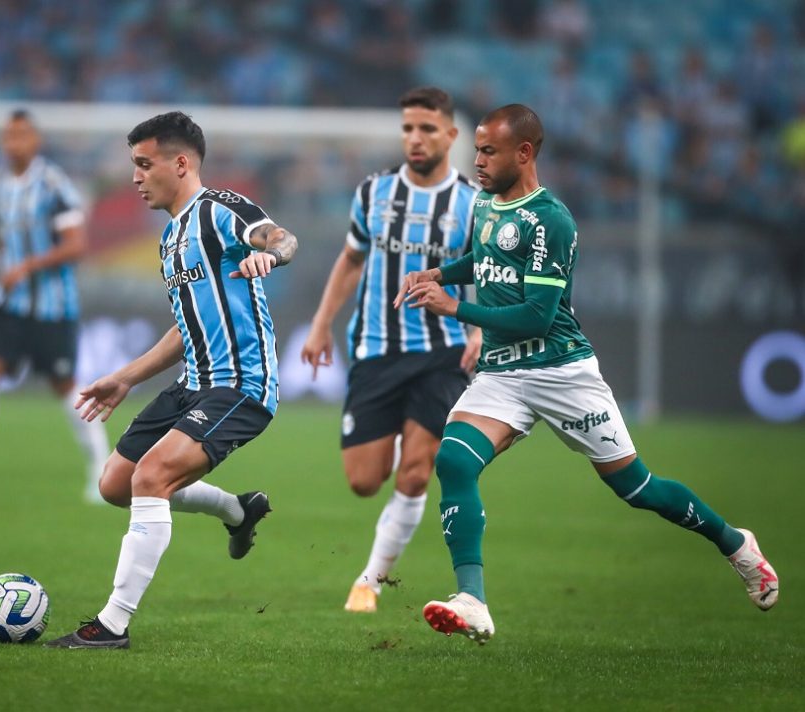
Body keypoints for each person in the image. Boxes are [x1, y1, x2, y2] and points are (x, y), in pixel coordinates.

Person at [395, 104, 779, 645]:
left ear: (523, 153)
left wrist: (454, 309)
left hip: (562, 373)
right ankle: (473, 601)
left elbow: (537, 315)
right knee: (454, 460)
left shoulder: (553, 220)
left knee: (637, 487)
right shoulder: (485, 203)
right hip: (503, 374)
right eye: (477, 150)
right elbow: (479, 261)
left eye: (488, 151)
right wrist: (438, 273)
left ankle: (735, 543)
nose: (477, 161)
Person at [44, 111, 298, 649]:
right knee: (115, 483)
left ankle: (111, 625)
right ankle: (237, 509)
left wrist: (269, 256)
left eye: (143, 164)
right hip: (192, 384)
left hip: (241, 384)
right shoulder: (171, 239)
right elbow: (186, 329)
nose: (135, 177)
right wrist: (124, 378)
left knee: (152, 476)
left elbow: (281, 237)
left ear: (180, 163)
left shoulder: (220, 211)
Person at [301, 86, 481, 613]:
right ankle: (405, 437)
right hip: (376, 349)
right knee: (362, 481)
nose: (415, 138)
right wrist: (319, 323)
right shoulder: (374, 193)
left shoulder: (472, 202)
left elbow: (491, 276)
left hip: (443, 353)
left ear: (451, 135)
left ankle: (369, 582)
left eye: (427, 128)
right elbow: (352, 259)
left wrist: (479, 329)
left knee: (418, 472)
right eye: (408, 128)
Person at [0, 109, 110, 501]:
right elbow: (0, 241)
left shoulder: (53, 184)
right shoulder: (0, 188)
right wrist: (2, 271)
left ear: (36, 141)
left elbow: (76, 244)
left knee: (65, 385)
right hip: (8, 305)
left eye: (23, 135)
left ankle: (102, 470)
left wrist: (27, 266)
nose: (15, 142)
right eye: (9, 136)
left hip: (52, 308)